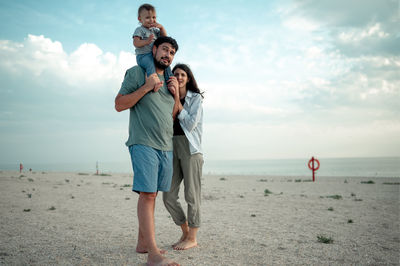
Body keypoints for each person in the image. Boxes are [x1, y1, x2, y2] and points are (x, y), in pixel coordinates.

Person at [115, 36, 180, 266]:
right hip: (143, 142)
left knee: (153, 195)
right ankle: (153, 254)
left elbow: (172, 116)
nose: (168, 55)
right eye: (164, 49)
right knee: (148, 194)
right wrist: (146, 86)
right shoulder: (136, 73)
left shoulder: (171, 81)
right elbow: (119, 104)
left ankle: (143, 244)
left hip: (166, 146)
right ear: (153, 49)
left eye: (172, 52)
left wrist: (177, 95)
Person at [163, 64, 204, 251]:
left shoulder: (195, 99)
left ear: (188, 78)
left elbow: (190, 125)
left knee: (191, 195)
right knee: (168, 195)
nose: (179, 77)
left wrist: (178, 105)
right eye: (176, 74)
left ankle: (192, 238)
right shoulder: (166, 96)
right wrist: (172, 99)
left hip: (191, 149)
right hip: (171, 147)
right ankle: (185, 231)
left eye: (182, 75)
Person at [133, 3, 173, 91]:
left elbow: (164, 38)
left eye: (154, 17)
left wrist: (161, 28)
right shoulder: (139, 30)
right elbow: (136, 43)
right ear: (140, 19)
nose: (151, 20)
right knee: (150, 64)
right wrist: (146, 41)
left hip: (154, 56)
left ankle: (170, 82)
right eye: (148, 18)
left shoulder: (154, 30)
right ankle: (154, 83)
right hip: (143, 56)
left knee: (166, 65)